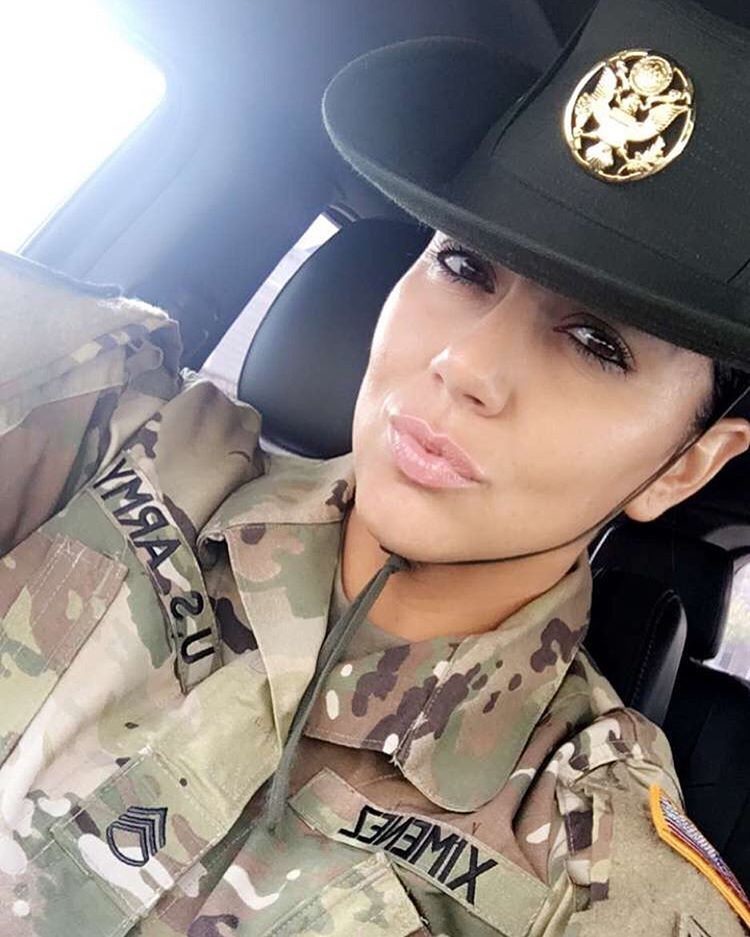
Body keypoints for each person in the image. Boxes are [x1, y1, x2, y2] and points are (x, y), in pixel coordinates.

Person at [2, 0, 750, 934]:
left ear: (684, 468)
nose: (465, 363)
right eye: (464, 266)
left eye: (596, 342)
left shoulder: (599, 885)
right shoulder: (107, 439)